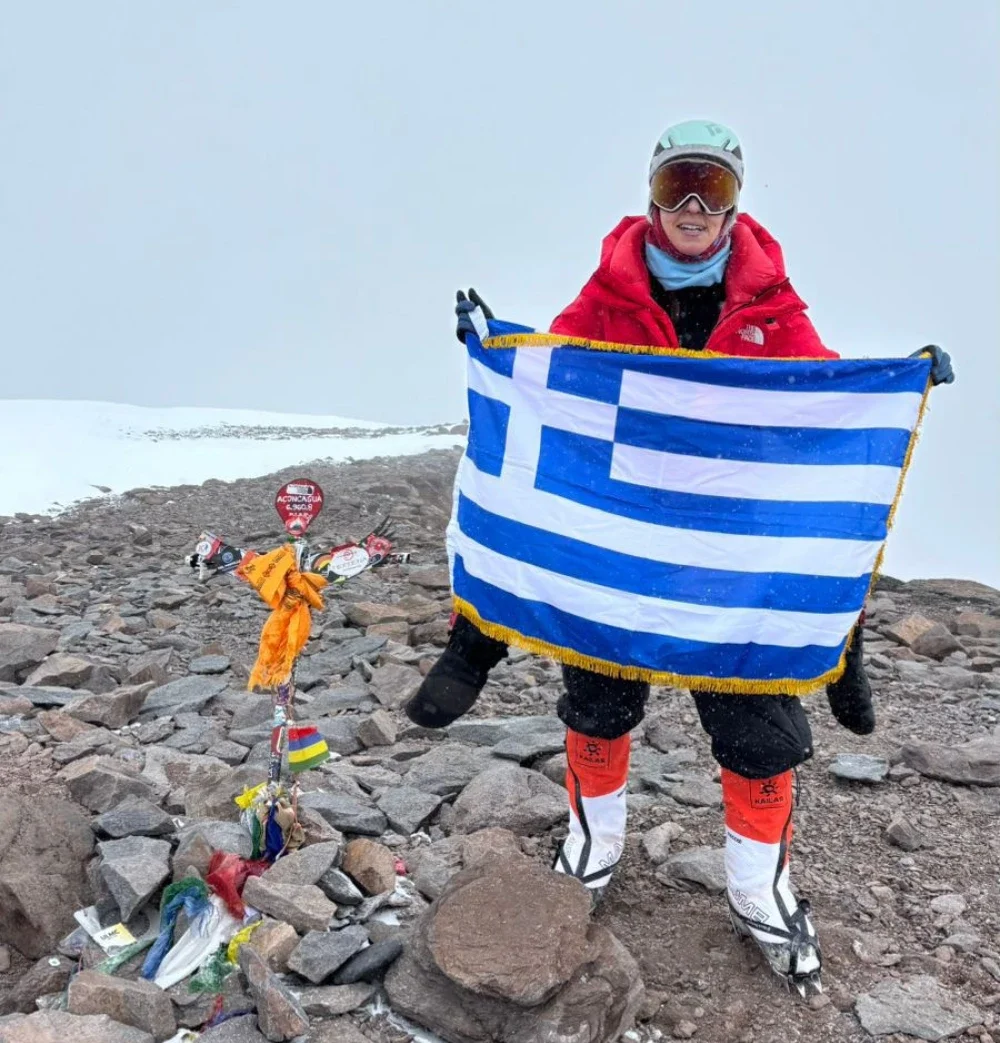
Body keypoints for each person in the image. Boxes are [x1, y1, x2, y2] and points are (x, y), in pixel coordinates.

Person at [405, 119, 954, 994]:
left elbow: (817, 419)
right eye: (676, 186)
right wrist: (493, 349)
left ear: (737, 201)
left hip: (725, 559)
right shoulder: (603, 297)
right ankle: (595, 842)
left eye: (714, 188)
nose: (694, 206)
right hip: (622, 549)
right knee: (598, 696)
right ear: (651, 194)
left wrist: (895, 382)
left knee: (759, 727)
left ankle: (757, 886)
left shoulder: (773, 306)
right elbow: (556, 408)